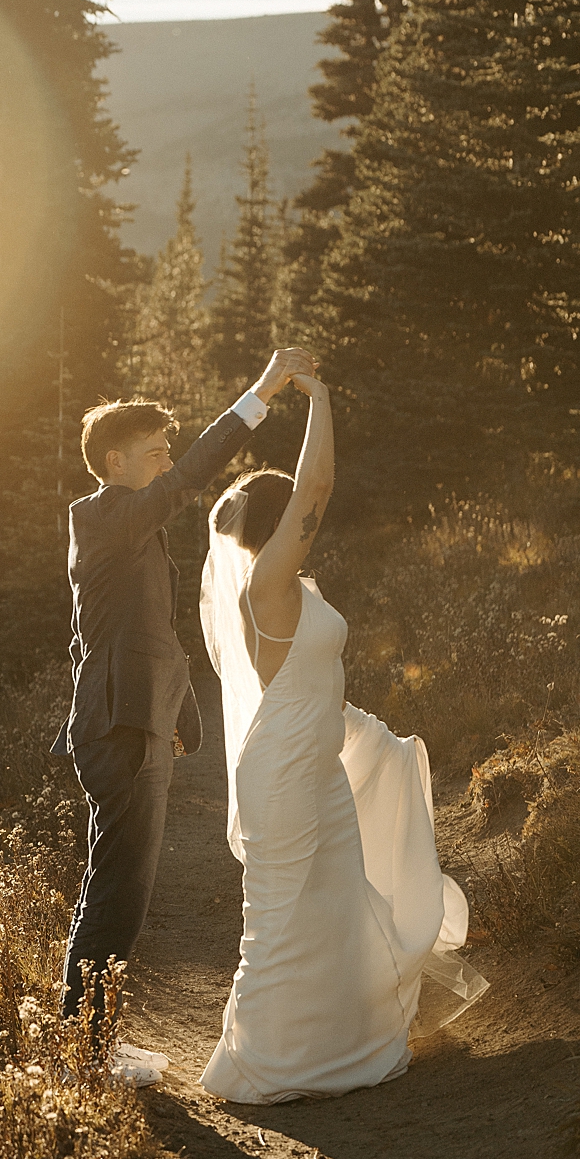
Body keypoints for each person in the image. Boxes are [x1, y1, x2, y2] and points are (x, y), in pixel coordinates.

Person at [199, 372, 488, 1104]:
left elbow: (306, 681)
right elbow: (319, 484)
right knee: (278, 921)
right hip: (283, 776)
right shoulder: (266, 585)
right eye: (295, 510)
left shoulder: (295, 589)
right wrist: (321, 396)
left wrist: (364, 732)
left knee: (328, 910)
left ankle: (330, 1048)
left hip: (314, 765)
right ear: (280, 520)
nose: (309, 515)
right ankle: (260, 1064)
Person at [52, 347, 316, 1084]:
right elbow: (195, 473)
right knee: (118, 885)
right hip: (117, 729)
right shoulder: (104, 517)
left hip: (134, 720)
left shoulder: (130, 527)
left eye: (167, 447)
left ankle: (92, 1036)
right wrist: (261, 393)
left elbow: (148, 632)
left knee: (123, 885)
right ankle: (85, 1052)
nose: (168, 459)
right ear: (114, 461)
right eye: (155, 451)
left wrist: (180, 708)